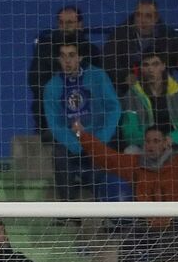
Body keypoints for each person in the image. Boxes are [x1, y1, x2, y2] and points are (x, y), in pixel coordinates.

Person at [43, 40, 121, 200]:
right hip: (72, 144)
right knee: (58, 153)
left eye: (71, 55)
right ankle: (68, 206)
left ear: (80, 57)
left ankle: (103, 204)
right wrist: (77, 146)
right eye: (63, 56)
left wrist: (98, 140)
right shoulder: (51, 87)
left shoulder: (98, 76)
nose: (67, 61)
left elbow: (114, 108)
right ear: (58, 59)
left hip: (99, 139)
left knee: (104, 161)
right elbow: (55, 125)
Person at [26, 5, 103, 138]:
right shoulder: (45, 48)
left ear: (80, 25)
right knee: (42, 101)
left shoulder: (92, 51)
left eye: (69, 23)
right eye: (61, 23)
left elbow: (98, 82)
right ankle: (53, 132)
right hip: (56, 100)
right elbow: (35, 80)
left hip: (83, 102)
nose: (65, 27)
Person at [119, 51, 178, 154]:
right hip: (146, 145)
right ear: (141, 68)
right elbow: (129, 131)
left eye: (155, 64)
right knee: (130, 151)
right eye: (146, 65)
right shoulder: (132, 94)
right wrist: (151, 141)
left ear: (163, 66)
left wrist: (173, 138)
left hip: (175, 145)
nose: (150, 69)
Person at [101, 0, 178, 91]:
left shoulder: (168, 35)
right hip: (130, 89)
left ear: (156, 18)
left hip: (161, 88)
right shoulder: (119, 34)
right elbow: (108, 63)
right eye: (138, 15)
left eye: (148, 16)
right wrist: (125, 76)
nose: (142, 20)